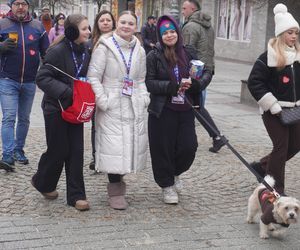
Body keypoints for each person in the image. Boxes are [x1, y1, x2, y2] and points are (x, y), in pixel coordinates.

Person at [146, 15, 212, 204]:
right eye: (165, 33)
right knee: (163, 149)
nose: (169, 35)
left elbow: (206, 72)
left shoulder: (188, 51)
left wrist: (196, 84)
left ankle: (175, 173)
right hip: (163, 110)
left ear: (178, 32)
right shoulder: (154, 56)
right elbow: (149, 83)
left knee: (188, 147)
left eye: (172, 31)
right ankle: (167, 185)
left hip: (186, 108)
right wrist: (172, 86)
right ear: (160, 36)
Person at [88, 10, 149, 210]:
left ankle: (120, 185)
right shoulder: (105, 47)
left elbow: (140, 79)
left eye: (130, 23)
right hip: (112, 101)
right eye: (122, 22)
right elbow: (93, 76)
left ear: (135, 27)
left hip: (132, 102)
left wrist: (144, 97)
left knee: (127, 146)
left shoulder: (139, 49)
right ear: (117, 24)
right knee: (113, 147)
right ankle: (115, 191)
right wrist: (102, 100)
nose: (126, 26)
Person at [31, 14, 91, 211]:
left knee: (76, 152)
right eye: (84, 29)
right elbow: (42, 78)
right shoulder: (57, 51)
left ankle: (76, 196)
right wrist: (68, 92)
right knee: (59, 150)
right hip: (55, 109)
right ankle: (43, 182)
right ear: (72, 31)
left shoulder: (86, 51)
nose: (88, 32)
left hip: (75, 109)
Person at [248, 3, 300, 195]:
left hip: (295, 110)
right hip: (273, 111)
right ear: (281, 34)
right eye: (289, 32)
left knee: (296, 144)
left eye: (296, 32)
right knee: (281, 146)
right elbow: (255, 83)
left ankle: (262, 167)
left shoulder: (298, 56)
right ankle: (275, 188)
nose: (293, 36)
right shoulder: (267, 57)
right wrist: (272, 104)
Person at [0, 0, 49, 170]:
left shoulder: (37, 26)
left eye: (24, 3)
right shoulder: (2, 24)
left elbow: (46, 53)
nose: (20, 7)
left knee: (24, 119)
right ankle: (7, 155)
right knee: (8, 117)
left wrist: (46, 75)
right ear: (11, 6)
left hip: (29, 81)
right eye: (17, 3)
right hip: (7, 79)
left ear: (28, 6)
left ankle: (18, 150)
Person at [181, 0, 226, 153]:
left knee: (194, 106)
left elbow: (186, 51)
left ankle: (216, 136)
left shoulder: (190, 27)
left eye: (184, 8)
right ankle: (217, 137)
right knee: (196, 105)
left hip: (196, 71)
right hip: (208, 69)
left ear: (193, 9)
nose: (182, 11)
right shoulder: (209, 26)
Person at [88, 10, 116, 171]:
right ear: (97, 23)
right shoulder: (91, 42)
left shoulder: (118, 40)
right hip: (95, 87)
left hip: (112, 88)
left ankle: (110, 155)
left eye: (108, 20)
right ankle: (96, 155)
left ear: (113, 23)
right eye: (102, 20)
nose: (105, 23)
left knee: (111, 124)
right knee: (95, 123)